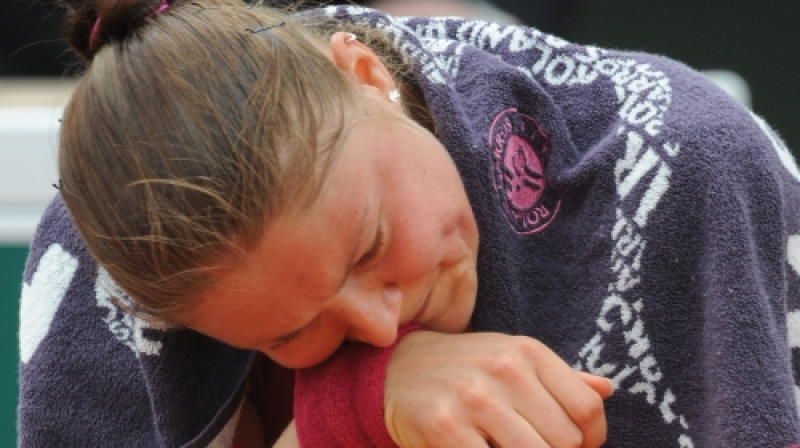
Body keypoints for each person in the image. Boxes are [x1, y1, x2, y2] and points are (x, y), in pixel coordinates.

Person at [17, 0, 800, 447]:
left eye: (369, 245)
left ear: (365, 74)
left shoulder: (689, 163)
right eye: (288, 335)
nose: (382, 324)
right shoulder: (110, 276)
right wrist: (354, 407)